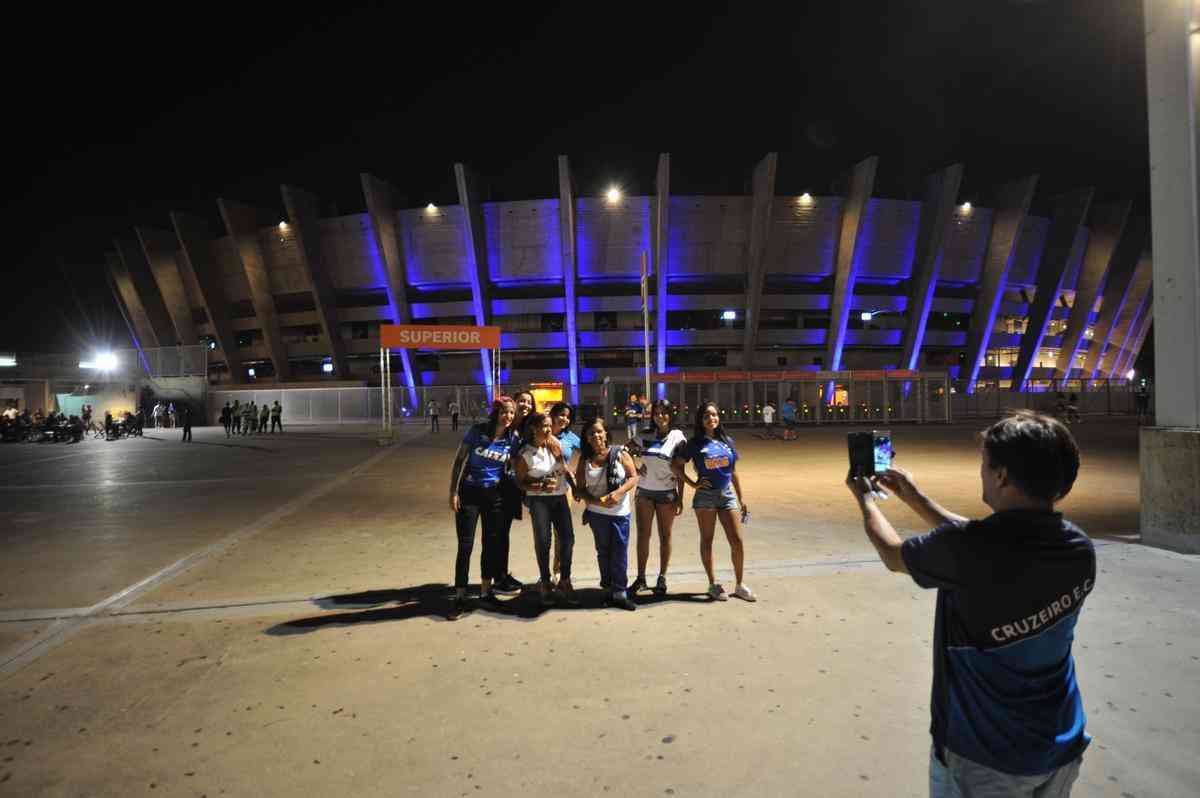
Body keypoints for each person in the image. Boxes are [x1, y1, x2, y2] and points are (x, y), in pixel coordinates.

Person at [846, 411, 1093, 797]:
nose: (981, 472)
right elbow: (977, 537)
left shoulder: (970, 553)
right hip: (1060, 742)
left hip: (985, 757)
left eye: (984, 464)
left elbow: (894, 554)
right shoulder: (1078, 548)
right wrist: (915, 497)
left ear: (1002, 476)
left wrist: (866, 501)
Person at [672, 402, 755, 602]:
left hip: (727, 494)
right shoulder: (694, 444)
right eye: (707, 416)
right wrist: (693, 484)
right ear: (701, 420)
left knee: (737, 540)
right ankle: (713, 584)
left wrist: (741, 498)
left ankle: (740, 584)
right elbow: (676, 466)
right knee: (707, 540)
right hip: (705, 497)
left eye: (715, 415)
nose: (712, 419)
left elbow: (733, 471)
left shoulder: (727, 441)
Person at [446, 396, 520, 620]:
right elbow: (459, 461)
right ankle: (460, 596)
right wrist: (453, 492)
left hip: (494, 495)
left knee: (491, 543)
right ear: (496, 412)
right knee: (465, 545)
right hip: (470, 493)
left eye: (512, 413)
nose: (508, 416)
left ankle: (486, 592)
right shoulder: (477, 431)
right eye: (505, 412)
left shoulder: (512, 438)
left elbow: (516, 466)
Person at [576, 417, 639, 611]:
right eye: (591, 433)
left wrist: (618, 493)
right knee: (603, 552)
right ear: (586, 438)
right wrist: (596, 501)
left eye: (599, 431)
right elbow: (580, 489)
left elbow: (633, 476)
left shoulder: (619, 453)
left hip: (620, 513)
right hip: (597, 514)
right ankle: (608, 588)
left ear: (606, 433)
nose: (596, 435)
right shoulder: (585, 459)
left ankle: (620, 592)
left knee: (619, 551)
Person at [514, 412, 577, 606]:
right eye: (544, 426)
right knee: (543, 541)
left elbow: (563, 468)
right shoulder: (525, 454)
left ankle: (565, 580)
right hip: (539, 501)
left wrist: (575, 488)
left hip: (559, 497)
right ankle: (545, 582)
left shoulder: (554, 444)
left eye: (550, 426)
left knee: (567, 539)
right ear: (533, 428)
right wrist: (539, 486)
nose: (549, 430)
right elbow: (519, 482)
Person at [627, 399, 687, 596]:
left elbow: (680, 469)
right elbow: (623, 451)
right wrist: (635, 467)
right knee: (643, 535)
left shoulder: (677, 437)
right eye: (657, 413)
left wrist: (680, 496)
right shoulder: (645, 435)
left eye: (665, 413)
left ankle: (662, 577)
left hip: (666, 493)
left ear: (671, 415)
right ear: (652, 416)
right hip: (644, 491)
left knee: (665, 535)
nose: (661, 416)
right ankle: (641, 578)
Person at [548, 401, 582, 584]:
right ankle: (544, 575)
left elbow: (591, 451)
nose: (564, 419)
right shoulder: (542, 432)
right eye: (561, 414)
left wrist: (580, 475)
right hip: (541, 492)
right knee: (544, 536)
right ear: (553, 415)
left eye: (568, 417)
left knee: (561, 534)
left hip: (564, 490)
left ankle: (558, 572)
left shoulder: (570, 437)